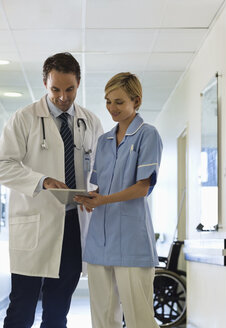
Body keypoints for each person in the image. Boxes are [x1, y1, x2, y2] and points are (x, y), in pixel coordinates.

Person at [0, 52, 103, 328]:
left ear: (78, 83)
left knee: (57, 311)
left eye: (70, 89)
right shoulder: (24, 118)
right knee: (22, 307)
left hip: (74, 225)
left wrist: (98, 193)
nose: (63, 97)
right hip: (36, 221)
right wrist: (43, 181)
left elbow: (101, 168)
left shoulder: (90, 122)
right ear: (45, 83)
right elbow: (1, 167)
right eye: (55, 89)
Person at [75, 72, 163, 328]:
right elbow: (101, 187)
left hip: (131, 239)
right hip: (100, 239)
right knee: (102, 319)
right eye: (107, 101)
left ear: (136, 100)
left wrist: (103, 201)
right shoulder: (103, 142)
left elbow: (142, 187)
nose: (111, 108)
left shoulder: (148, 135)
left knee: (140, 319)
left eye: (119, 102)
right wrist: (90, 198)